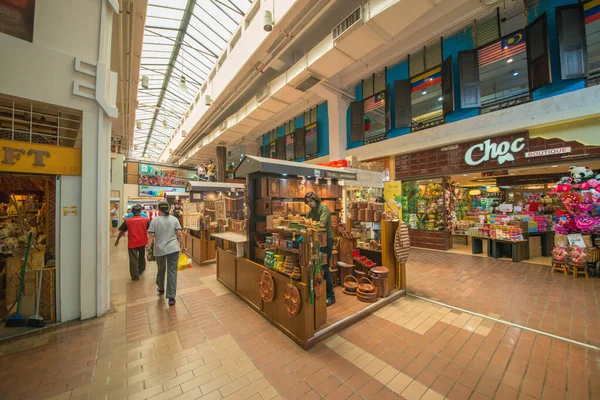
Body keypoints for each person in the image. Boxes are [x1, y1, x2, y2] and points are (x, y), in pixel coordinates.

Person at [147, 201, 186, 306]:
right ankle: (171, 297)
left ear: (158, 209)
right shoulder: (174, 219)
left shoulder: (154, 221)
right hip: (173, 248)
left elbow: (151, 236)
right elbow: (180, 234)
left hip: (159, 249)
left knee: (161, 269)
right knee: (172, 271)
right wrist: (183, 247)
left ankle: (160, 288)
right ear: (168, 209)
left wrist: (148, 249)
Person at [305, 192, 335, 306]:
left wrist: (310, 225)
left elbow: (321, 224)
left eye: (310, 201)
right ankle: (320, 293)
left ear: (315, 199)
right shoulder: (311, 211)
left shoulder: (324, 208)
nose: (309, 204)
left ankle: (331, 296)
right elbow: (306, 221)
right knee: (318, 266)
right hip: (317, 241)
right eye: (307, 202)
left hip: (327, 239)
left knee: (325, 266)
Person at [114, 204, 149, 281]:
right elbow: (150, 231)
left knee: (133, 258)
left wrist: (117, 240)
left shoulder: (128, 221)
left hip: (132, 242)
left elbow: (121, 231)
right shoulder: (146, 220)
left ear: (132, 212)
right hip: (142, 241)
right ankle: (141, 270)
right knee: (142, 256)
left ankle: (135, 276)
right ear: (140, 211)